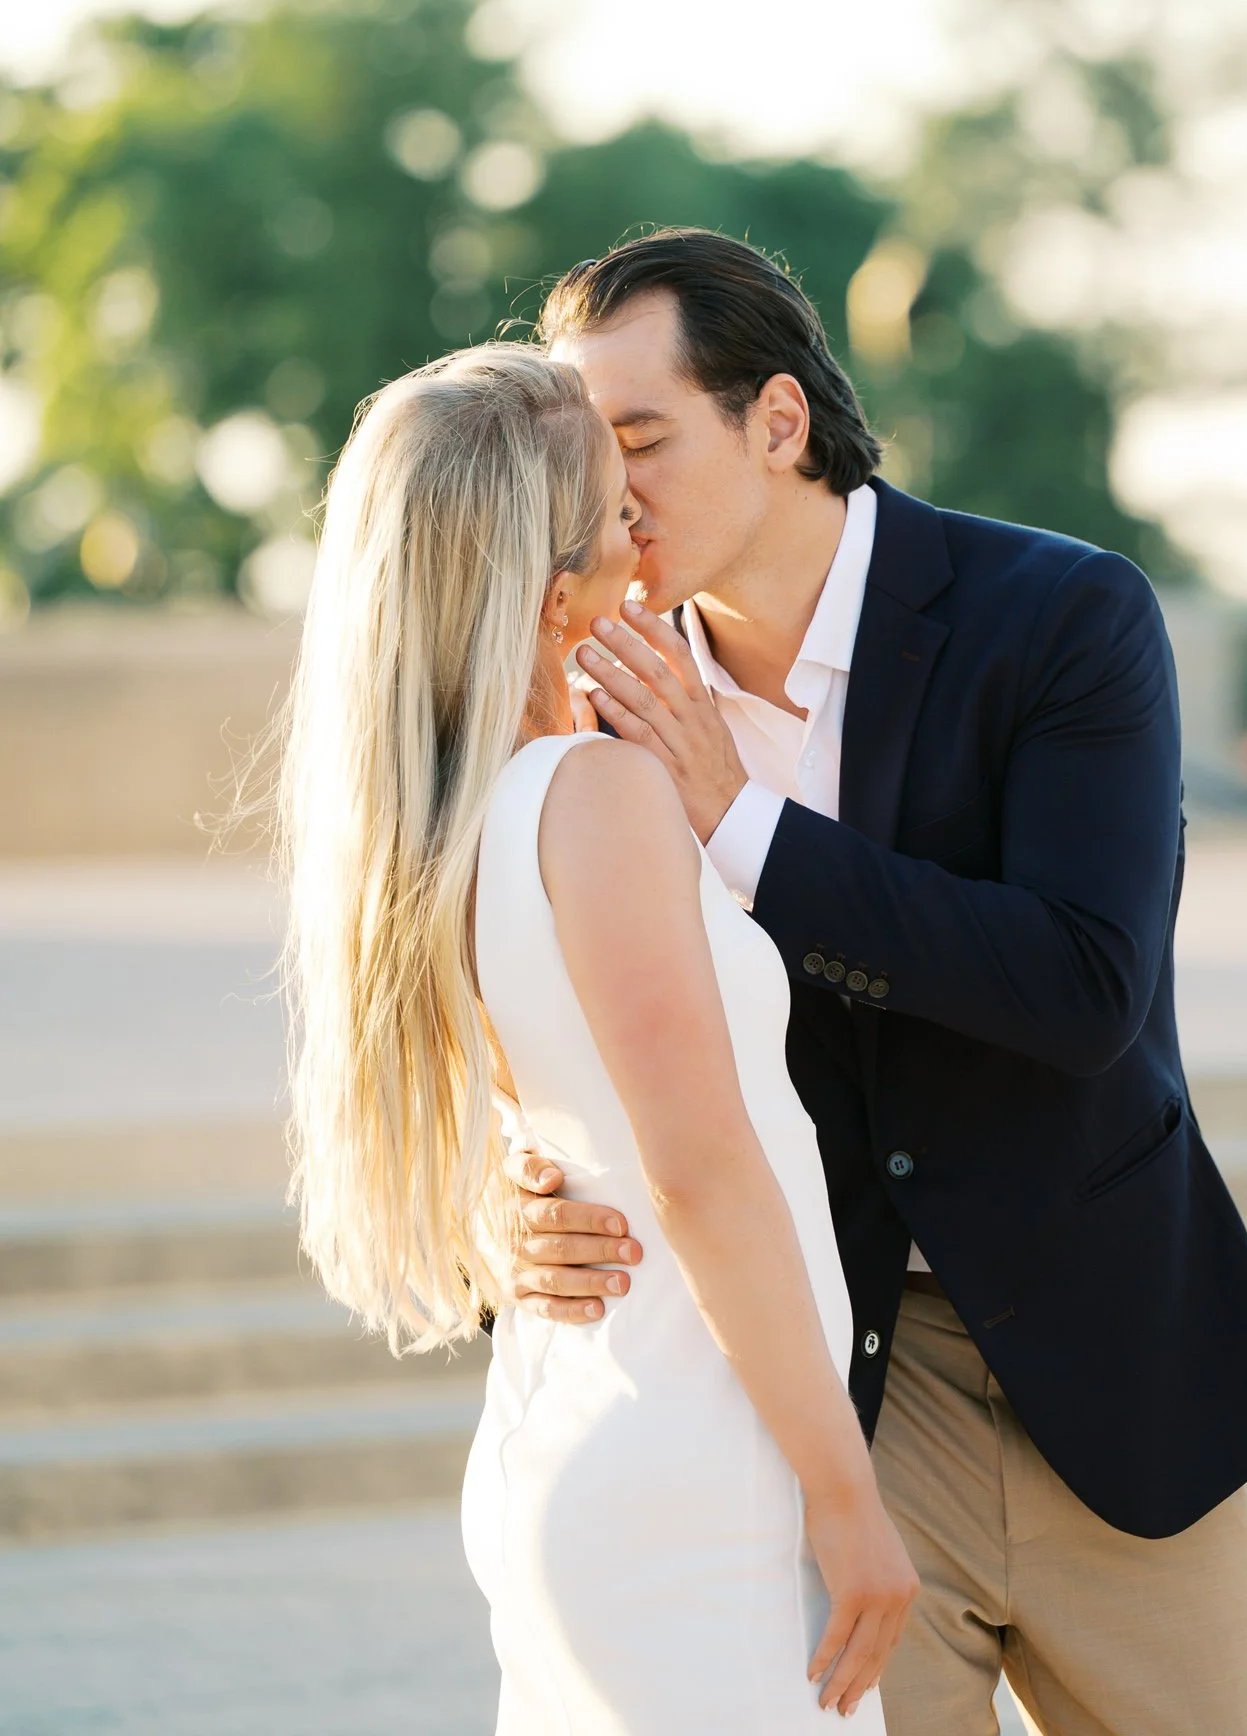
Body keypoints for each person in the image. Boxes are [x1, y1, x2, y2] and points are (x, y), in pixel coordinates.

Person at [505, 229, 1247, 1736]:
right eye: (582, 454)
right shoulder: (584, 705)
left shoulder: (1062, 618)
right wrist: (507, 1197)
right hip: (823, 1397)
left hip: (1112, 1373)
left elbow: (1084, 986)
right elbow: (534, 1024)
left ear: (775, 420)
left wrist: (738, 825)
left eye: (641, 440)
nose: (609, 497)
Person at [276, 342, 917, 1733]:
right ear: (560, 592)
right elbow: (699, 1170)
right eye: (615, 515)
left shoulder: (457, 817)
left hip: (595, 1438)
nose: (646, 526)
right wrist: (844, 1496)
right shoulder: (603, 795)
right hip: (693, 1483)